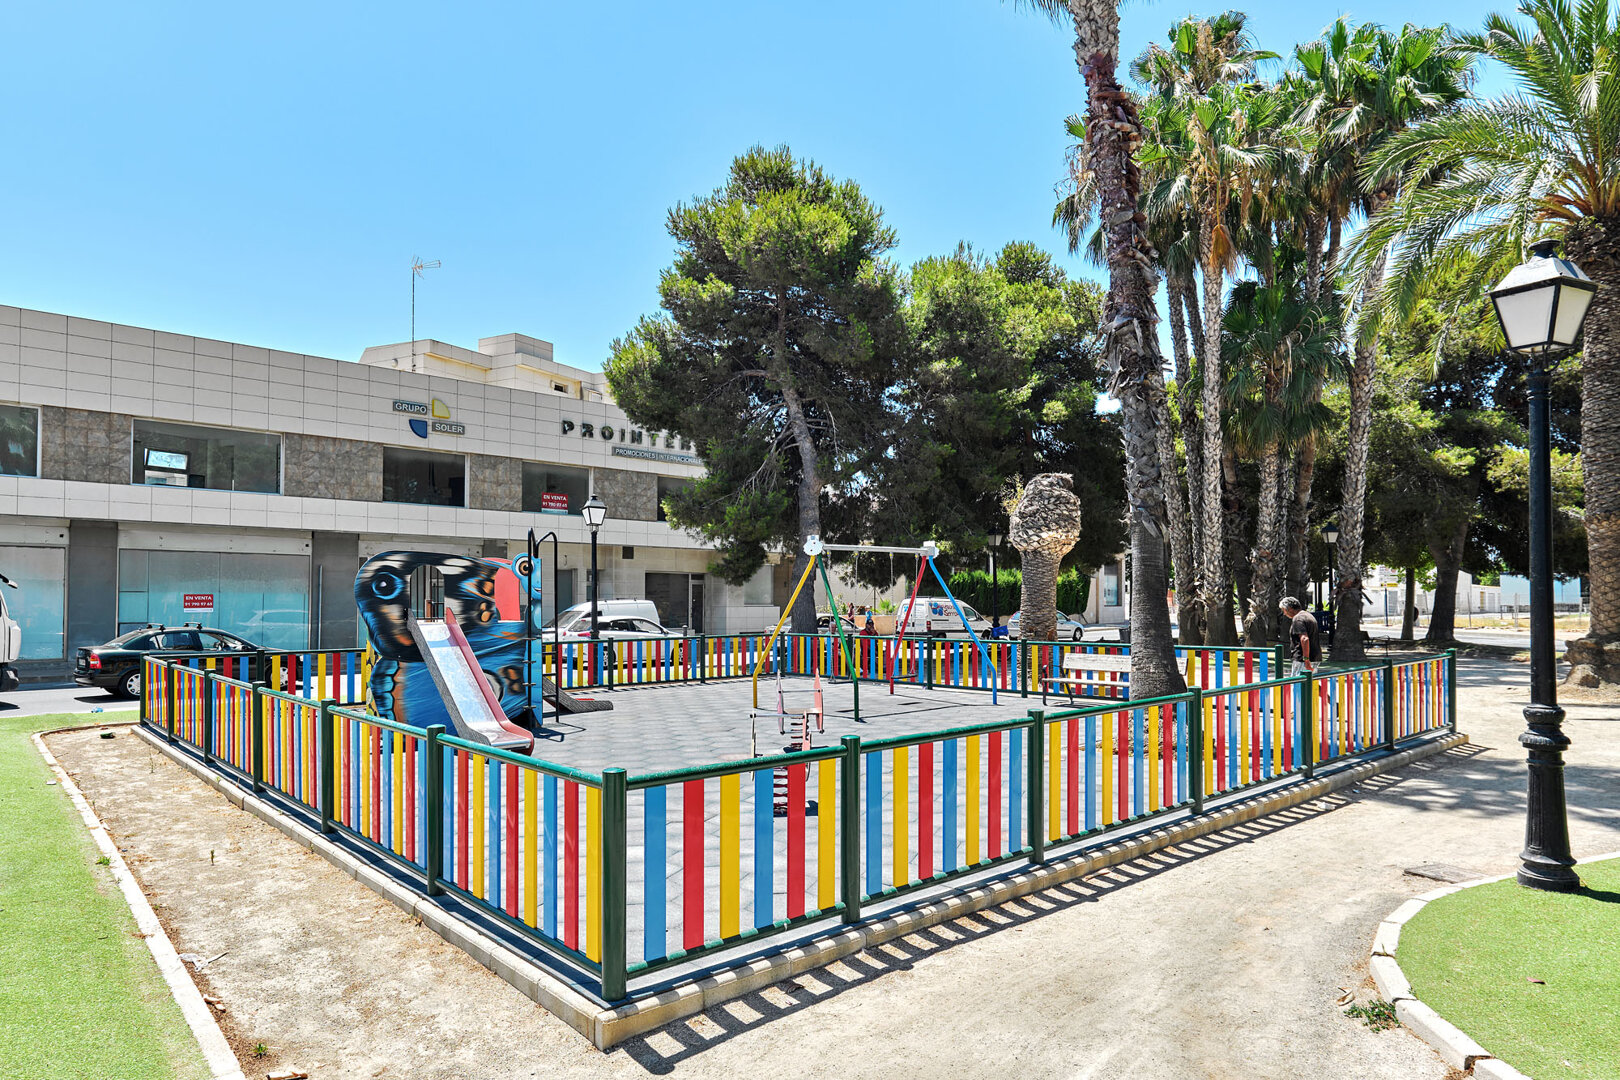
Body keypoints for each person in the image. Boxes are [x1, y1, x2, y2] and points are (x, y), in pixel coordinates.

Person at [1280, 597, 1320, 677]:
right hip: (1315, 656)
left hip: (1302, 659)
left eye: (1284, 610)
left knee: (1298, 682)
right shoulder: (1308, 615)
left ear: (1290, 609)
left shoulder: (1298, 619)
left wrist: (1306, 660)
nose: (1284, 613)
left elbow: (1304, 639)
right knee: (1310, 681)